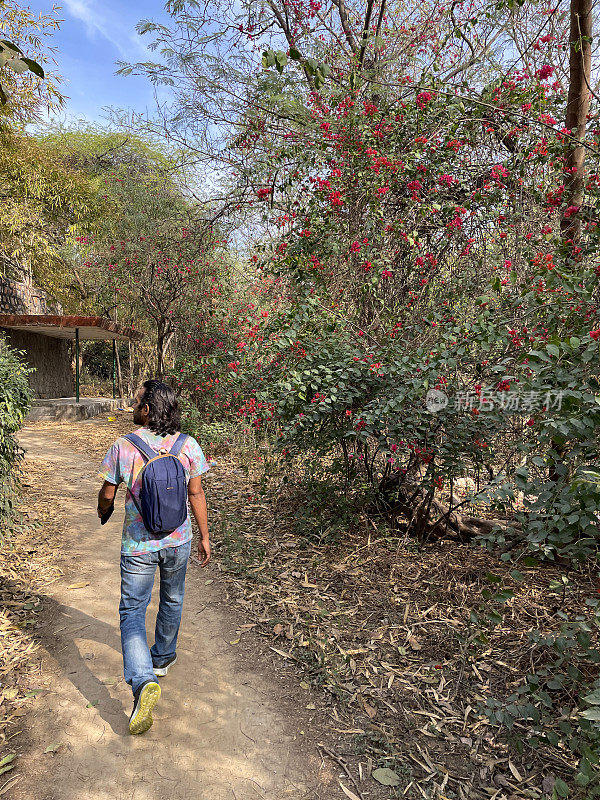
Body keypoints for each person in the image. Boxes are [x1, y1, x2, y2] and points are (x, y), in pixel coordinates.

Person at [97, 379, 211, 735]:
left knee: (132, 611)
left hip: (138, 545)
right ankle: (161, 658)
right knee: (172, 598)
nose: (133, 406)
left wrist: (104, 510)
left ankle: (143, 680)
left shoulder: (123, 446)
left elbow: (107, 493)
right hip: (178, 540)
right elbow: (196, 494)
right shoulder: (187, 445)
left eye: (136, 402)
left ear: (147, 408)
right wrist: (205, 536)